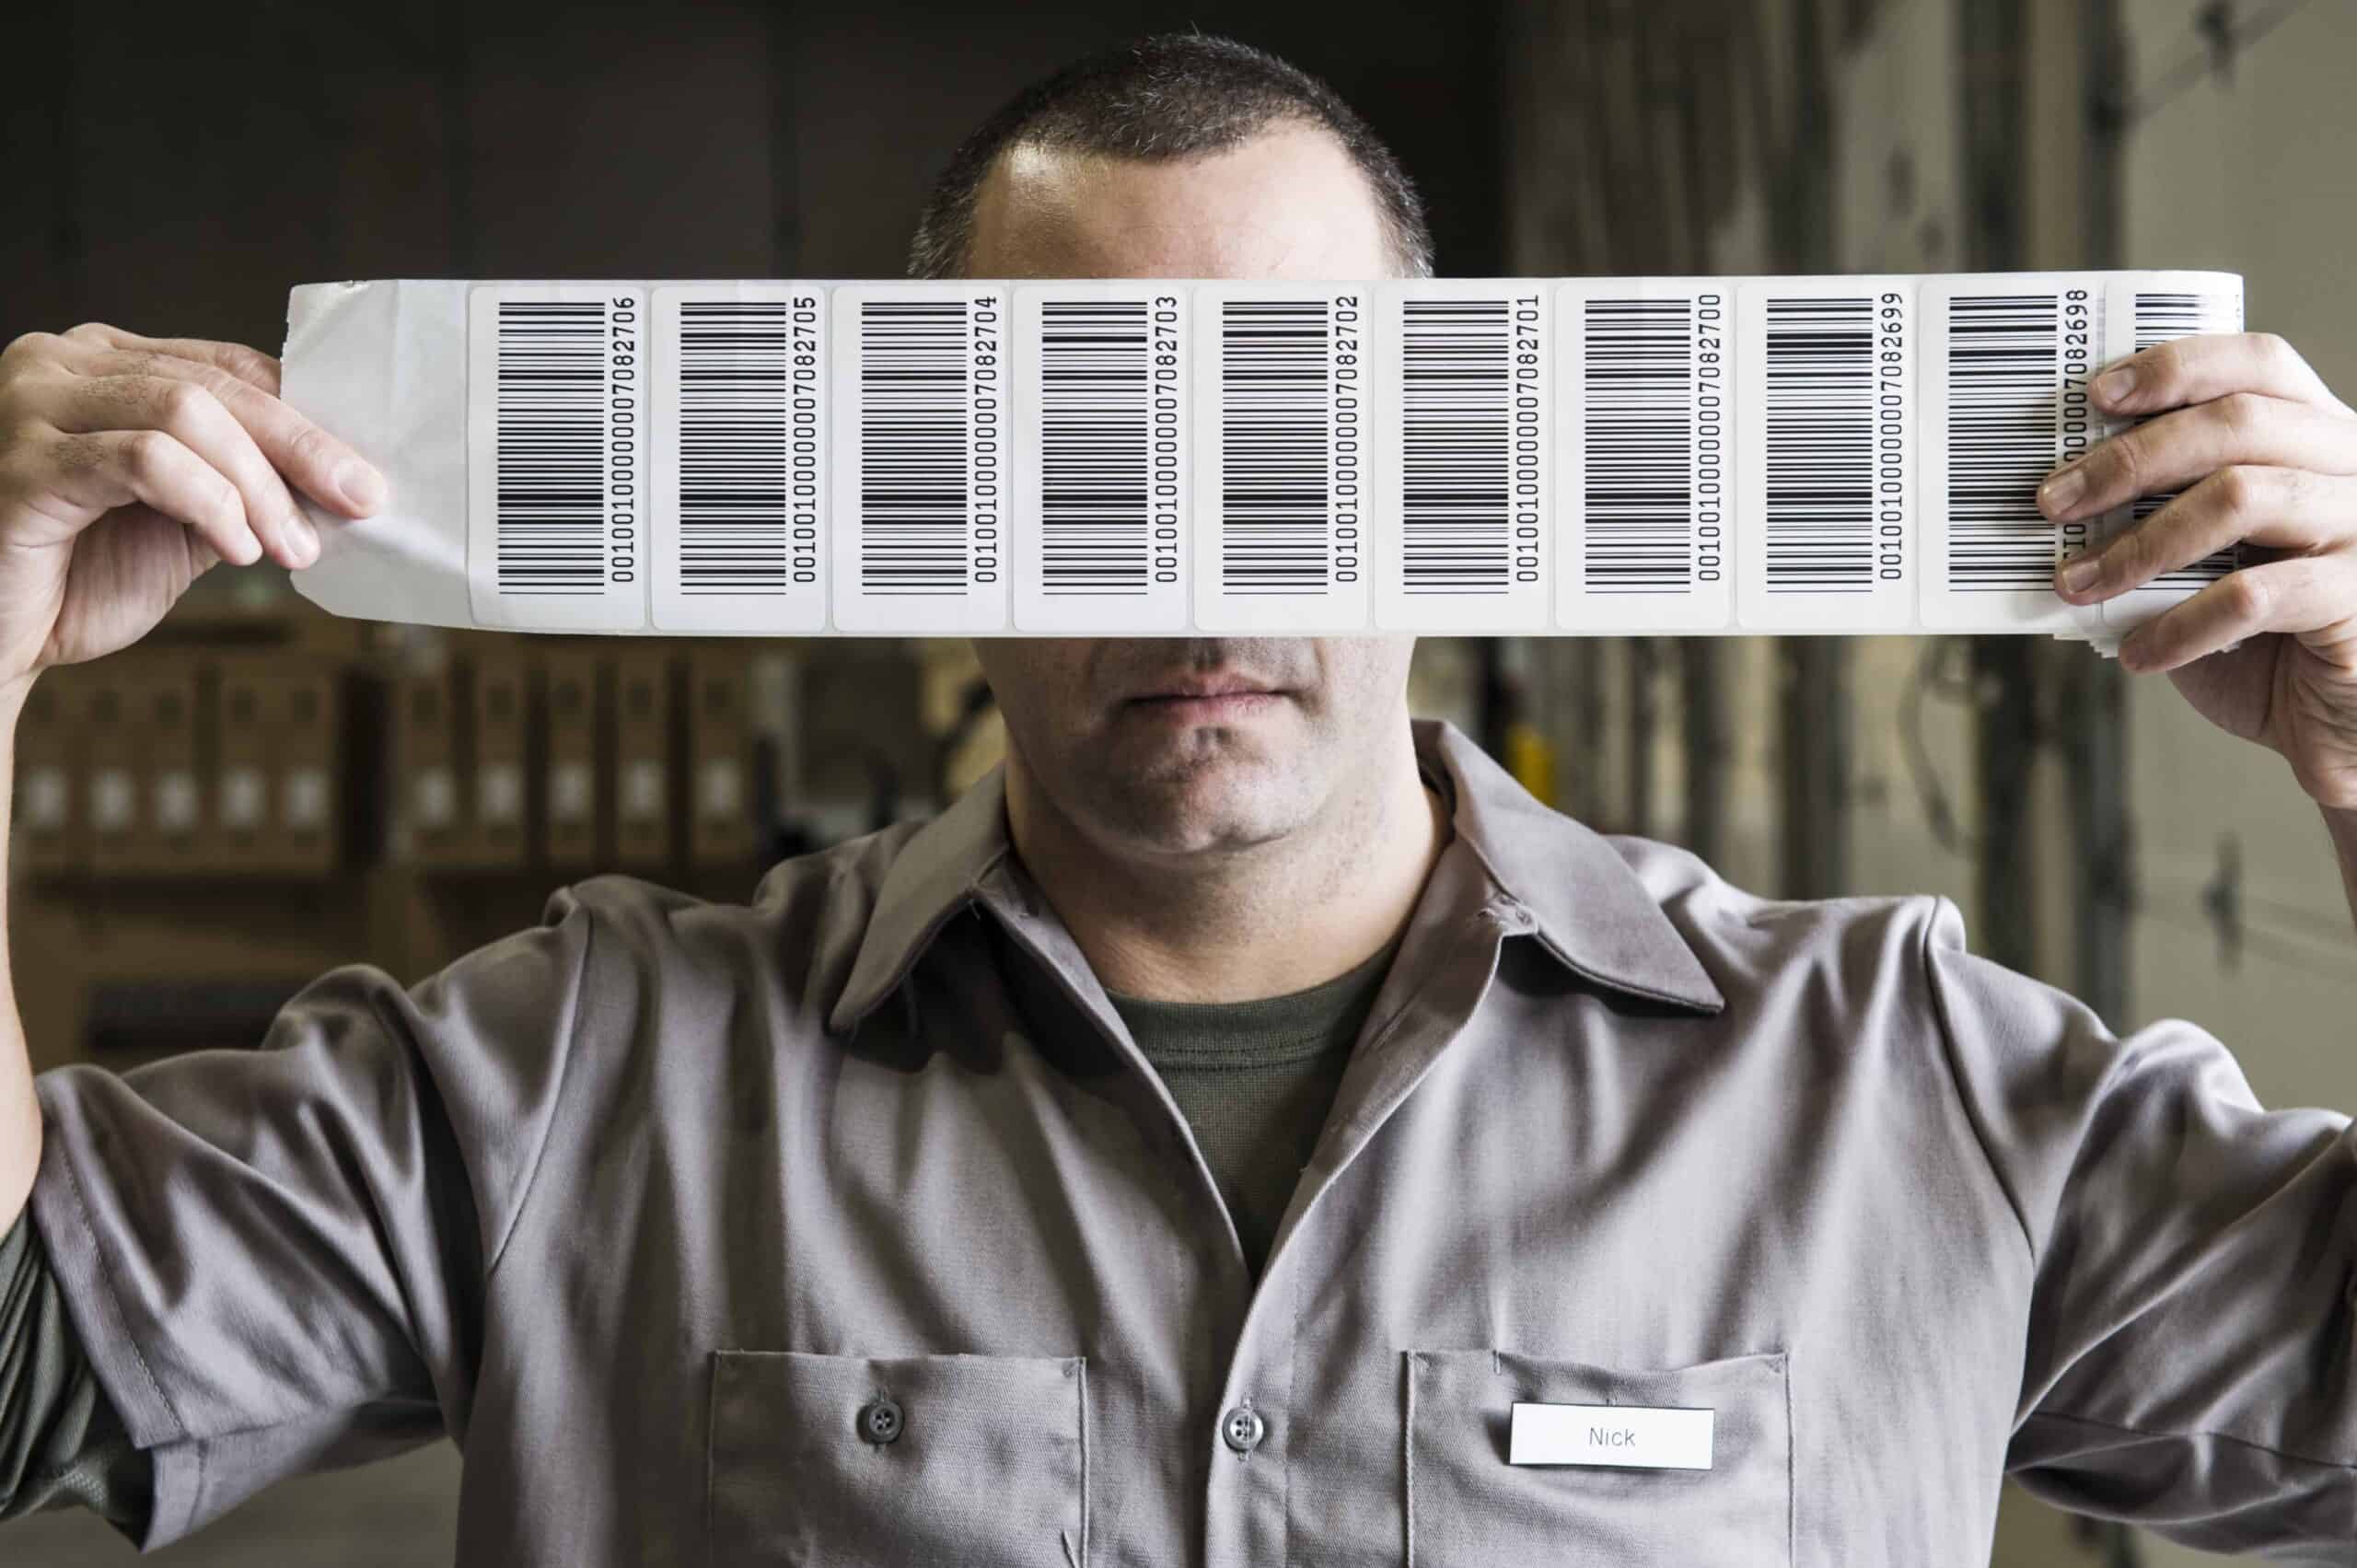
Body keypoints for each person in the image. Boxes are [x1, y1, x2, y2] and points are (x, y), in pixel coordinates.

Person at [3, 29, 2357, 1567]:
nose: (1200, 557)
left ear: (1451, 481)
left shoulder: (1902, 1087)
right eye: (1076, 453)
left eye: (1297, 442)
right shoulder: (580, 1074)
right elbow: (32, 1356)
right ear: (912, 499)